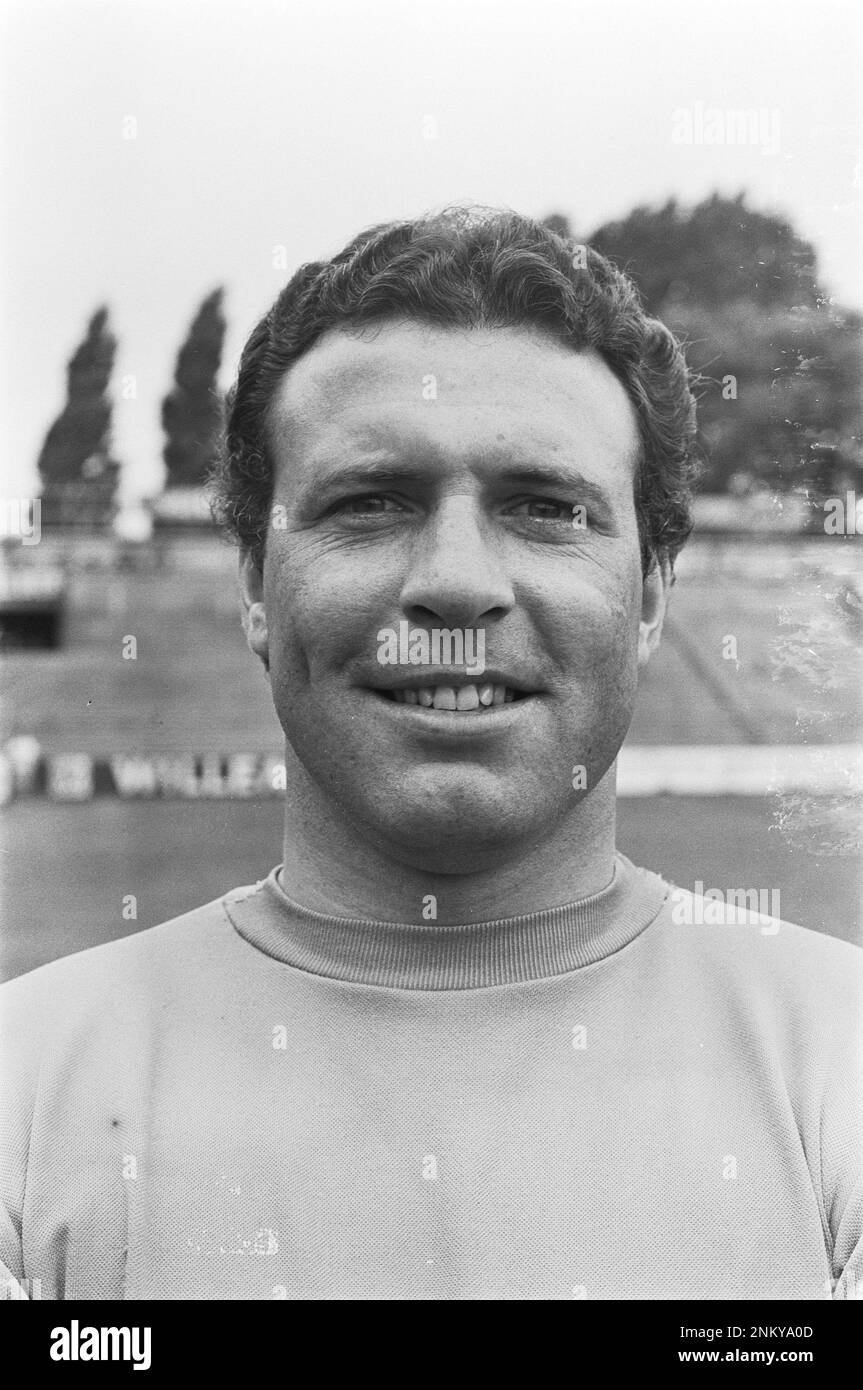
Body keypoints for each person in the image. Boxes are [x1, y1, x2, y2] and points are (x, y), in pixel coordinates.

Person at [1, 208, 860, 1301]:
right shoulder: (22, 1093)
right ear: (254, 588)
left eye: (545, 507)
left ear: (649, 595)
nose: (455, 582)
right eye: (369, 503)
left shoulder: (841, 1067)